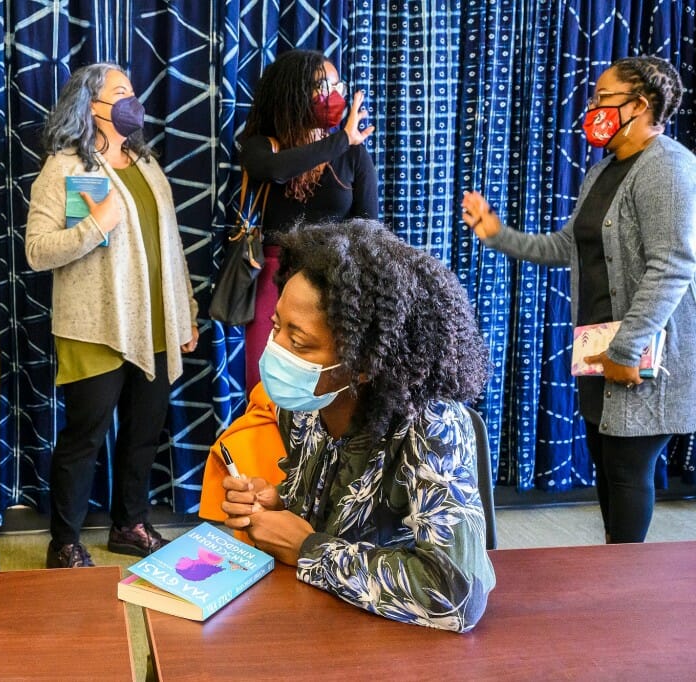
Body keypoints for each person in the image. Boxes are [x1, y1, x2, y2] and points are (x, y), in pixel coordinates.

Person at [462, 56, 696, 544]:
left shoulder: (668, 166)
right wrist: (498, 234)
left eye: (601, 98)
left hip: (640, 359)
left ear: (639, 104)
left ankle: (626, 595)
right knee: (610, 479)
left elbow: (673, 266)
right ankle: (618, 589)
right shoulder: (603, 171)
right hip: (599, 355)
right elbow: (566, 247)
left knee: (628, 477)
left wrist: (626, 349)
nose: (591, 108)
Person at [221, 221, 495, 633]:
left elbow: (456, 594)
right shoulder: (304, 405)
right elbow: (329, 511)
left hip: (401, 645)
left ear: (362, 363)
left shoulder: (431, 426)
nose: (274, 351)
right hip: (319, 624)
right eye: (277, 327)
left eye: (299, 343)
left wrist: (307, 550)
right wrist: (276, 504)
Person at [26, 64, 199, 568]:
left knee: (144, 432)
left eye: (133, 91)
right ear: (92, 107)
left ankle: (129, 525)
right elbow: (37, 250)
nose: (133, 101)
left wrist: (184, 313)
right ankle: (65, 542)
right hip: (94, 327)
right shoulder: (66, 168)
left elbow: (173, 248)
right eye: (121, 92)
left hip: (157, 325)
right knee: (85, 438)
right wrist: (94, 227)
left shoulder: (147, 166)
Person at [238, 49, 379, 391]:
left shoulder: (354, 154)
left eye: (336, 85)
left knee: (328, 385)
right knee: (266, 383)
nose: (333, 94)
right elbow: (274, 171)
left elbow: (369, 228)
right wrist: (341, 139)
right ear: (294, 92)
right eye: (322, 86)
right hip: (274, 278)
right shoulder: (263, 146)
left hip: (334, 279)